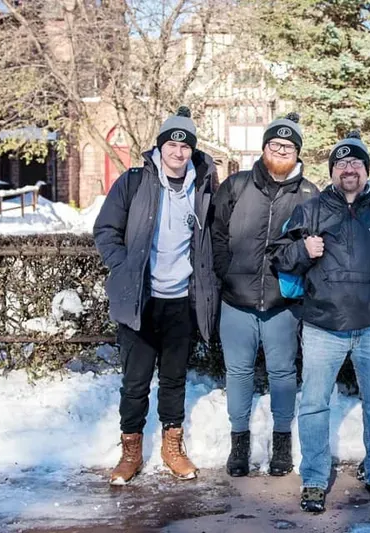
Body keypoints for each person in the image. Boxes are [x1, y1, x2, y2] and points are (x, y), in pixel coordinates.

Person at [269, 131, 370, 513]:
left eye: (355, 162)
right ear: (332, 171)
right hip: (323, 327)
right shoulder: (311, 210)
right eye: (341, 163)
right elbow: (278, 256)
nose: (348, 169)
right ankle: (314, 479)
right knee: (314, 405)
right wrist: (302, 249)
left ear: (366, 170)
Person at [94, 106, 219, 485]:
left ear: (192, 150)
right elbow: (105, 230)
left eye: (185, 146)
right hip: (141, 301)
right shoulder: (134, 182)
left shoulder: (203, 188)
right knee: (135, 382)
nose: (178, 152)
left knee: (174, 379)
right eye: (171, 145)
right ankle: (130, 451)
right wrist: (124, 267)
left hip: (181, 301)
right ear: (160, 147)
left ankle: (172, 447)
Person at [211, 112, 318, 477]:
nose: (281, 151)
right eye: (275, 144)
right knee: (238, 372)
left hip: (282, 303)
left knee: (283, 373)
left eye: (288, 146)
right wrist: (226, 271)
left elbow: (316, 246)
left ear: (297, 152)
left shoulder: (309, 195)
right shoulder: (237, 185)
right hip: (236, 300)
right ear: (264, 147)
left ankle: (282, 442)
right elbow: (217, 233)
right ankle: (239, 442)